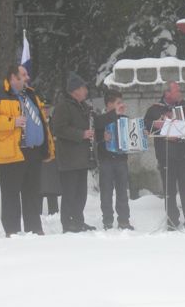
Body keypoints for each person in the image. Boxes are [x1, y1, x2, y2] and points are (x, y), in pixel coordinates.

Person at [0, 65, 55, 236]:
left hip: (33, 152)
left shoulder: (31, 94)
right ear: (13, 78)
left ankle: (34, 228)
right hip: (12, 153)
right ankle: (12, 231)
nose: (27, 77)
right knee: (11, 194)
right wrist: (11, 122)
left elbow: (41, 120)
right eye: (23, 74)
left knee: (32, 193)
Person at [144, 81, 185, 231]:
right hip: (166, 155)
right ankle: (172, 220)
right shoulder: (155, 109)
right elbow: (146, 125)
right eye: (177, 90)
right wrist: (157, 124)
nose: (180, 92)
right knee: (169, 191)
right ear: (167, 93)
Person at [52, 72, 97, 233]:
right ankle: (68, 222)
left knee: (81, 193)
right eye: (83, 87)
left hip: (82, 157)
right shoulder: (63, 106)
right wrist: (81, 134)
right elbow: (58, 128)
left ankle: (78, 220)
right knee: (69, 192)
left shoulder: (84, 107)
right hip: (69, 158)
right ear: (75, 90)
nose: (86, 91)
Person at [94, 89, 133, 230]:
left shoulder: (125, 119)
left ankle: (124, 220)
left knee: (122, 191)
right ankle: (107, 221)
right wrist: (101, 138)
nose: (121, 105)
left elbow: (132, 138)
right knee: (106, 192)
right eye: (118, 102)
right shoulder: (100, 118)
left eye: (122, 102)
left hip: (121, 159)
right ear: (109, 104)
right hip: (106, 160)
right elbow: (95, 131)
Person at [39, 99, 61, 215]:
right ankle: (37, 214)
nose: (45, 110)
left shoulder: (55, 123)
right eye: (43, 108)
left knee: (52, 189)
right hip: (40, 160)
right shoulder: (36, 123)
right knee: (39, 189)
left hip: (53, 160)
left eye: (47, 108)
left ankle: (54, 213)